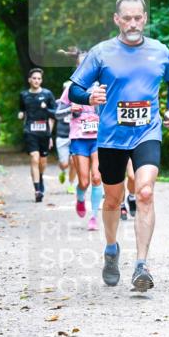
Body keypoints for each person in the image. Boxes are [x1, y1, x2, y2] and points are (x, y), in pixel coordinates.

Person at [68, 0, 169, 292]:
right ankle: (111, 249)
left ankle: (142, 265)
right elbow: (75, 90)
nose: (133, 23)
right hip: (111, 137)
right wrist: (89, 97)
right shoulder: (101, 52)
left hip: (147, 132)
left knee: (144, 193)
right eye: (127, 18)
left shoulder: (159, 51)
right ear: (116, 20)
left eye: (138, 17)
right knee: (112, 200)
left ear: (145, 18)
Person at [56, 51, 103, 231]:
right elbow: (57, 112)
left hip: (97, 138)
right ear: (77, 67)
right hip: (79, 138)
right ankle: (81, 198)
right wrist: (70, 110)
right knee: (84, 181)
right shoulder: (71, 88)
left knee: (97, 177)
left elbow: (110, 111)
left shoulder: (100, 87)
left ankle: (94, 217)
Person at [18, 68, 56, 202]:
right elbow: (22, 109)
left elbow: (54, 115)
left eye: (39, 78)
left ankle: (40, 177)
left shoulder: (47, 94)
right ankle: (37, 190)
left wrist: (50, 134)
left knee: (42, 161)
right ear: (29, 80)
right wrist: (21, 114)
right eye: (34, 78)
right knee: (34, 158)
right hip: (30, 131)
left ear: (41, 80)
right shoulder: (23, 95)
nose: (36, 81)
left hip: (44, 132)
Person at [54, 81, 76, 192]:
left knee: (73, 161)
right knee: (65, 164)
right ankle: (63, 170)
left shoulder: (79, 102)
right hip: (61, 137)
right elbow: (54, 116)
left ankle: (71, 184)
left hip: (74, 136)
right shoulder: (58, 103)